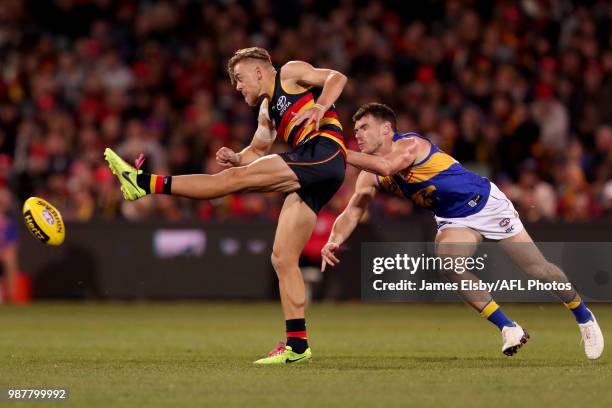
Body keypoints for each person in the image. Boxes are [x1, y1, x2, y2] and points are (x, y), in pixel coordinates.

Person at [104, 47, 347, 364]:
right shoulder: (265, 111)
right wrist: (237, 157)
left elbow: (336, 77)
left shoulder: (289, 72)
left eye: (239, 78)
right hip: (319, 173)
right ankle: (297, 346)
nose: (237, 86)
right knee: (283, 257)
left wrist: (321, 108)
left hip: (323, 152)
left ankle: (144, 183)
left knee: (232, 182)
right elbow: (256, 151)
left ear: (258, 71)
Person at [321, 102, 604, 359]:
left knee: (537, 269)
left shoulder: (410, 145)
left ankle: (583, 316)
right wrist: (334, 239)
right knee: (448, 261)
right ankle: (509, 328)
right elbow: (353, 210)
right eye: (355, 129)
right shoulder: (368, 175)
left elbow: (387, 165)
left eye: (364, 127)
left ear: (386, 129)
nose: (357, 134)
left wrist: (339, 152)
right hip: (452, 219)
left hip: (486, 205)